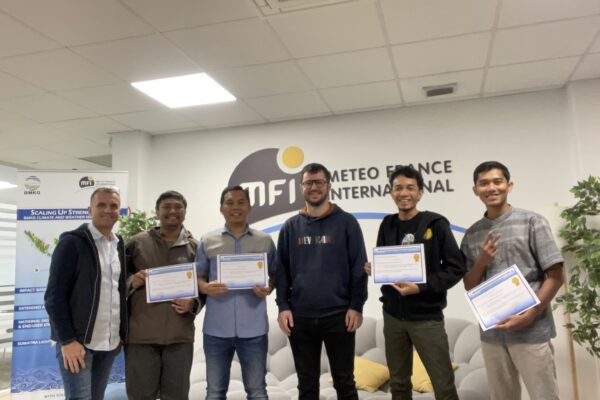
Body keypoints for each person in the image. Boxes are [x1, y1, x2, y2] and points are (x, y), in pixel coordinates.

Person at [461, 161, 564, 400]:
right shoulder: (472, 234)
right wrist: (481, 261)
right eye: (484, 183)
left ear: (509, 185)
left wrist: (530, 313)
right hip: (493, 335)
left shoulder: (532, 221)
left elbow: (556, 275)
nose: (491, 188)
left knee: (544, 396)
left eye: (497, 181)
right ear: (475, 190)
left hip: (532, 330)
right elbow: (469, 285)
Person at [365, 165, 465, 400]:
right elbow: (387, 263)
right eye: (398, 188)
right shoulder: (387, 224)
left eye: (410, 188)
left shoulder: (436, 224)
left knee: (443, 384)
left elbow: (456, 268)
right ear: (391, 192)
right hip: (393, 316)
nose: (404, 193)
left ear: (420, 193)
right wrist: (376, 269)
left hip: (426, 318)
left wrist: (421, 287)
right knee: (399, 384)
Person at [276, 162, 368, 400]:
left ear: (328, 186)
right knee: (306, 385)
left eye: (319, 182)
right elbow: (281, 271)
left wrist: (356, 306)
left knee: (344, 382)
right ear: (301, 187)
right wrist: (283, 307)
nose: (314, 187)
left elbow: (359, 267)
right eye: (308, 183)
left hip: (339, 316)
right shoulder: (290, 227)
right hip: (301, 318)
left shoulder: (347, 222)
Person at [44, 187, 127, 400]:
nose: (108, 210)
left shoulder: (118, 245)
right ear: (90, 210)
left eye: (113, 206)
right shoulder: (72, 243)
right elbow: (54, 297)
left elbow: (115, 290)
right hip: (78, 343)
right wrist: (67, 340)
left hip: (108, 344)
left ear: (120, 211)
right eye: (101, 205)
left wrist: (120, 334)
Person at [196, 185, 276, 400]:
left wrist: (269, 287)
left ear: (249, 207)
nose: (235, 207)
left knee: (257, 391)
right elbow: (197, 276)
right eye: (229, 202)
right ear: (221, 208)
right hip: (216, 329)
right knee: (215, 393)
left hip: (254, 329)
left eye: (241, 202)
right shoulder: (207, 240)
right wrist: (204, 287)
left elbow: (276, 274)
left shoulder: (264, 240)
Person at [125, 190, 201, 400]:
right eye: (166, 207)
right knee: (140, 396)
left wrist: (193, 303)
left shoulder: (195, 248)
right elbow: (115, 281)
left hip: (179, 337)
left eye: (178, 207)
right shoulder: (136, 243)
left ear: (185, 211)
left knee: (177, 396)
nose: (172, 211)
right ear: (157, 212)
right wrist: (131, 281)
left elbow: (204, 287)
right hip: (141, 337)